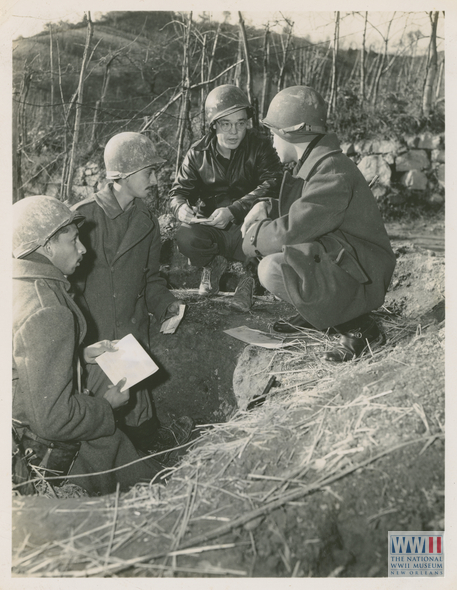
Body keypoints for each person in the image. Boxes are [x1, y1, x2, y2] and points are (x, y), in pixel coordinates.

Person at [12, 196, 166, 495]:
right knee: (118, 454)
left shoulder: (19, 284)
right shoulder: (47, 310)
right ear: (47, 247)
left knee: (105, 371)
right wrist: (106, 408)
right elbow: (53, 421)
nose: (83, 248)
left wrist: (80, 356)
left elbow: (21, 360)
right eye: (73, 240)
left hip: (18, 415)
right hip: (34, 451)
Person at [241, 86, 396, 362]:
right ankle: (317, 314)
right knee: (287, 257)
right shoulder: (318, 163)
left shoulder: (331, 172)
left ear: (291, 134)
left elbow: (293, 230)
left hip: (364, 276)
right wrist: (265, 205)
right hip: (350, 261)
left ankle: (360, 328)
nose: (272, 143)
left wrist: (252, 238)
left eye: (273, 134)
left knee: (273, 269)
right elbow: (302, 213)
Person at [71, 132, 193, 453]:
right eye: (148, 172)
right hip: (95, 339)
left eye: (155, 171)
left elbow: (151, 279)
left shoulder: (147, 222)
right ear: (121, 177)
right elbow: (68, 292)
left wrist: (166, 304)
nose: (155, 179)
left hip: (129, 333)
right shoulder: (84, 219)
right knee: (99, 421)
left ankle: (147, 451)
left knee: (139, 414)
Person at [169, 84, 283, 312]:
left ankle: (250, 282)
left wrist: (235, 210)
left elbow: (273, 183)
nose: (234, 132)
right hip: (213, 228)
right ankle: (213, 264)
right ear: (213, 125)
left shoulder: (260, 147)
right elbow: (178, 192)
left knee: (272, 234)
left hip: (248, 226)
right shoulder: (197, 153)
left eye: (240, 124)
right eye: (226, 124)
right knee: (186, 236)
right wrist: (180, 207)